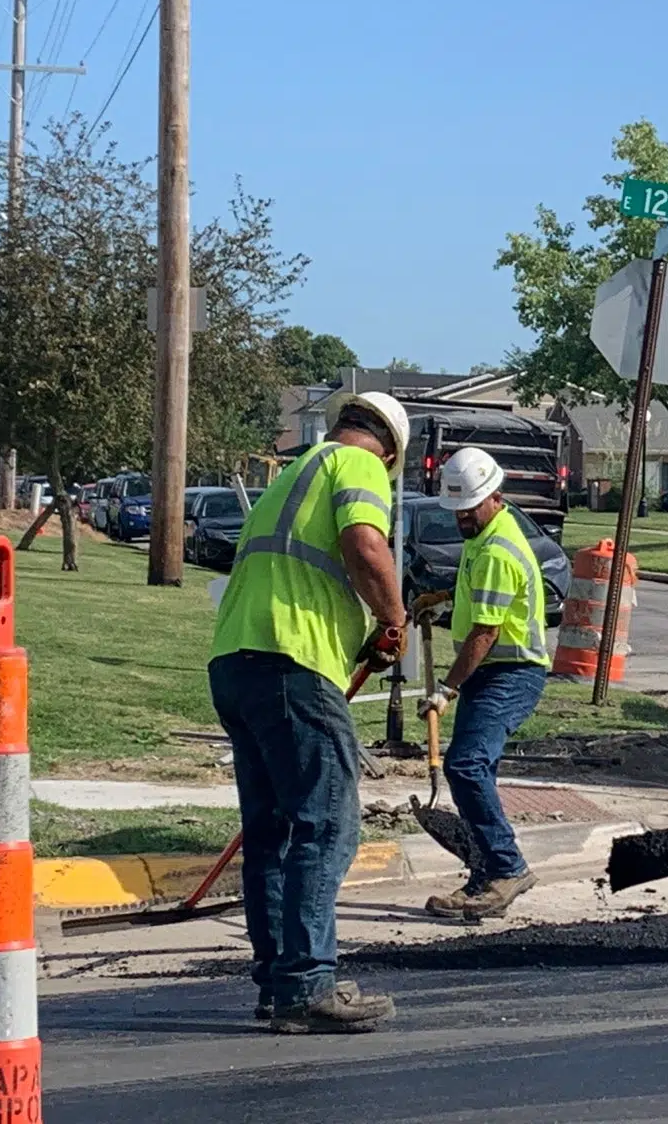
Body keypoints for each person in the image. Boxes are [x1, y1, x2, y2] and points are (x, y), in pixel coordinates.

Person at [209, 391, 410, 1033]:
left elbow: (303, 571)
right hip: (293, 663)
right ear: (390, 450)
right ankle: (308, 984)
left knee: (271, 832)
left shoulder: (292, 474)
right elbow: (363, 545)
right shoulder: (361, 466)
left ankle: (277, 983)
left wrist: (359, 636)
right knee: (326, 825)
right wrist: (393, 618)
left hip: (237, 661)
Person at [415, 448, 551, 919]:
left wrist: (445, 689)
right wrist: (444, 600)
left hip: (510, 672)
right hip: (494, 671)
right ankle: (487, 872)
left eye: (468, 509)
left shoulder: (496, 549)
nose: (461, 519)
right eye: (456, 510)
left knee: (466, 766)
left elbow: (487, 632)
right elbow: (479, 604)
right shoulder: (486, 534)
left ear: (495, 496)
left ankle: (505, 867)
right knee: (473, 770)